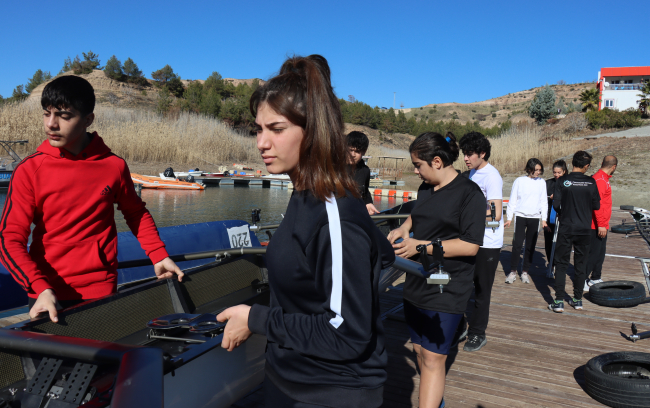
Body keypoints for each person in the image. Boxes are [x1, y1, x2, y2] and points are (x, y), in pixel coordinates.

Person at [216, 55, 395, 408]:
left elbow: (348, 333)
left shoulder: (335, 213)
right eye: (259, 129)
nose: (261, 143)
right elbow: (383, 253)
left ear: (312, 131)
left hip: (330, 393)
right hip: (287, 378)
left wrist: (254, 318)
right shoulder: (304, 195)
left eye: (276, 129)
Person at [0, 75, 184, 323]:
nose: (51, 124)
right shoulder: (29, 170)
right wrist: (38, 286)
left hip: (101, 288)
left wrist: (159, 255)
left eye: (64, 116)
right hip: (47, 294)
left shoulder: (114, 166)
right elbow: (9, 239)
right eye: (46, 114)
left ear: (88, 119)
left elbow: (135, 213)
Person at [388, 131, 485, 408]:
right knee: (420, 351)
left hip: (448, 285)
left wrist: (420, 246)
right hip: (417, 281)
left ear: (438, 162)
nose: (416, 171)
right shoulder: (426, 188)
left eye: (418, 165)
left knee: (433, 358)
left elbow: (470, 246)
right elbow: (418, 214)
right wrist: (403, 228)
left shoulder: (470, 194)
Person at [458, 131, 503, 352]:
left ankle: (478, 333)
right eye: (464, 154)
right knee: (461, 286)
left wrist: (466, 216)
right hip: (469, 239)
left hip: (488, 243)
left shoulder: (492, 176)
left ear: (482, 153)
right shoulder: (471, 174)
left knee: (482, 292)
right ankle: (460, 327)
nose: (466, 158)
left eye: (470, 154)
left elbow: (495, 214)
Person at [550, 151, 600, 312]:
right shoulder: (591, 182)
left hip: (566, 227)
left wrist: (564, 210)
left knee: (561, 264)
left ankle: (558, 301)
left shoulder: (562, 181)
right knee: (580, 264)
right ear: (586, 166)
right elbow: (596, 205)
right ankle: (577, 300)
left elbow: (556, 205)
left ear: (572, 163)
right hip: (584, 229)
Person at [504, 158, 548, 284]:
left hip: (535, 217)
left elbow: (544, 202)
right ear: (529, 169)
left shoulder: (542, 182)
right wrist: (509, 218)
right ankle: (512, 272)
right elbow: (513, 200)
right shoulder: (519, 181)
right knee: (517, 245)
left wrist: (544, 219)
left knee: (530, 246)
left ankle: (525, 272)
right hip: (520, 216)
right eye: (536, 170)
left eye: (540, 170)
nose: (538, 172)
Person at [584, 155, 617, 291]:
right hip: (596, 225)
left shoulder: (604, 178)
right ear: (614, 167)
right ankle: (583, 279)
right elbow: (597, 205)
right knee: (593, 253)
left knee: (600, 253)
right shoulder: (600, 180)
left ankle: (596, 277)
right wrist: (601, 224)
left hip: (603, 223)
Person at [346, 131, 380, 215]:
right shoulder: (334, 167)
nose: (352, 154)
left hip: (355, 214)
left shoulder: (365, 171)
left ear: (364, 151)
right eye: (350, 150)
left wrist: (369, 203)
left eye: (357, 151)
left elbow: (365, 191)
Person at [544, 160, 568, 265]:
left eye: (559, 172)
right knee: (548, 243)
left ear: (564, 171)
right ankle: (551, 263)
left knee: (561, 244)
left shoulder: (568, 183)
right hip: (549, 218)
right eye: (554, 172)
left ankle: (559, 265)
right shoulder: (548, 183)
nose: (556, 175)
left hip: (562, 218)